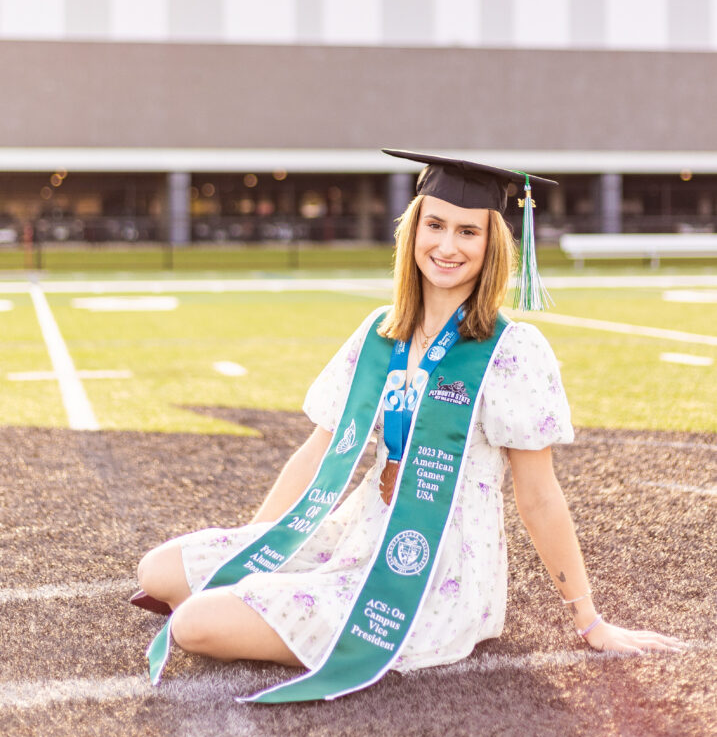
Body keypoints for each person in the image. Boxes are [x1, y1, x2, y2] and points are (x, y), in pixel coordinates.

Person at [134, 151, 685, 701]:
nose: (447, 246)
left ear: (491, 244)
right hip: (356, 531)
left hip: (435, 569)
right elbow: (316, 453)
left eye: (468, 231)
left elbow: (539, 496)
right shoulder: (380, 332)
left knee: (193, 624)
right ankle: (267, 593)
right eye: (435, 225)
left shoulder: (510, 351)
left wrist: (589, 619)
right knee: (157, 571)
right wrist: (257, 551)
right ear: (413, 229)